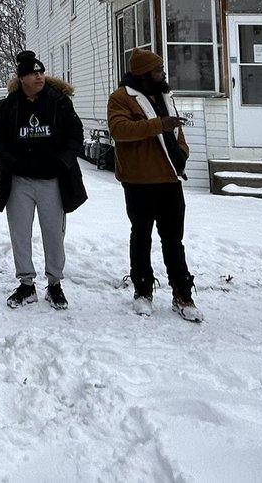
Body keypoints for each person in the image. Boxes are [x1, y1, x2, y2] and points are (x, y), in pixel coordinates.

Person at [107, 48, 201, 322]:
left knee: (174, 240)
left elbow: (177, 131)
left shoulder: (165, 96)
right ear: (144, 74)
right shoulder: (121, 98)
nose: (163, 74)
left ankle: (182, 293)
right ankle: (143, 290)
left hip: (170, 178)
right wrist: (158, 124)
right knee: (141, 237)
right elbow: (119, 131)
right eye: (158, 70)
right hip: (138, 181)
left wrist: (183, 152)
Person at [0, 50, 87, 311]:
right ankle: (26, 284)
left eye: (41, 72)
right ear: (22, 79)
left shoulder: (59, 103)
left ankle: (55, 283)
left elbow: (75, 134)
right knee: (20, 233)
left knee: (54, 233)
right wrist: (10, 162)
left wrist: (63, 161)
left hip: (52, 181)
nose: (40, 76)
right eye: (33, 73)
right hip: (19, 181)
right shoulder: (7, 107)